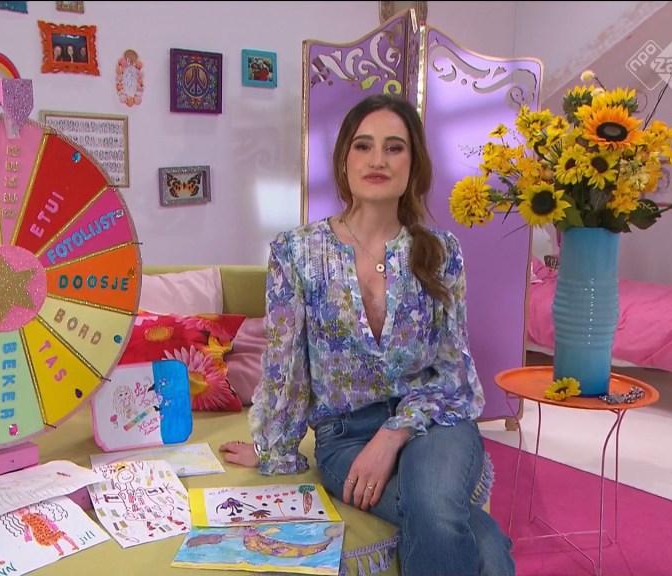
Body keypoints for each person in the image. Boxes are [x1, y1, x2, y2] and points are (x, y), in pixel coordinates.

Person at [219, 93, 515, 576]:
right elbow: (285, 366)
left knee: (435, 507)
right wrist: (274, 447)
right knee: (483, 542)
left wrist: (394, 433)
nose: (378, 159)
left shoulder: (441, 251)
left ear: (413, 163)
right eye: (364, 146)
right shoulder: (296, 251)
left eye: (394, 147)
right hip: (345, 437)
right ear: (343, 159)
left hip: (435, 421)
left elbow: (454, 373)